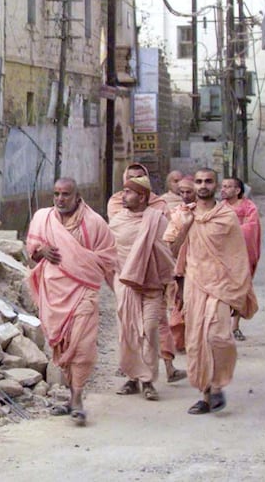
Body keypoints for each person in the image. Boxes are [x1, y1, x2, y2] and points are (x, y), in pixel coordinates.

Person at [163, 168, 258, 415]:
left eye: (208, 181)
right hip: (195, 286)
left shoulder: (226, 217)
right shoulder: (183, 215)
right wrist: (184, 227)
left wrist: (239, 290)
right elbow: (173, 251)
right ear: (193, 185)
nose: (203, 185)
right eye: (198, 181)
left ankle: (218, 385)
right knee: (196, 341)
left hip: (221, 286)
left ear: (216, 186)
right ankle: (206, 394)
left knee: (219, 337)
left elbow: (238, 256)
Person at [26, 178, 117, 426]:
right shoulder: (43, 218)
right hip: (53, 292)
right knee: (62, 345)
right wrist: (41, 251)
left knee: (83, 345)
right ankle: (70, 396)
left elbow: (108, 256)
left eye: (66, 194)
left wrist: (83, 262)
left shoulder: (94, 222)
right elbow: (31, 248)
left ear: (78, 196)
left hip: (83, 292)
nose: (60, 199)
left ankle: (77, 398)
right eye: (56, 194)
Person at [108, 162, 184, 382]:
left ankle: (157, 373)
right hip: (126, 284)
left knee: (151, 328)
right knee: (129, 332)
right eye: (129, 180)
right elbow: (110, 251)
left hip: (152, 284)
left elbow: (166, 250)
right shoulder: (116, 213)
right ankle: (133, 377)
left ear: (143, 195)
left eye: (139, 178)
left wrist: (171, 281)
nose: (126, 193)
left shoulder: (157, 215)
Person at [220, 177, 261, 341]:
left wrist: (232, 230)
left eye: (228, 187)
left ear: (238, 190)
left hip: (242, 255)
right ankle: (222, 327)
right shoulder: (218, 208)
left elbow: (251, 228)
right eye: (222, 186)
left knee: (240, 291)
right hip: (222, 256)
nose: (224, 189)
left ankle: (235, 326)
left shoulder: (249, 207)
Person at [166, 175, 196, 353]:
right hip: (182, 272)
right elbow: (172, 248)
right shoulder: (177, 214)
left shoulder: (213, 215)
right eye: (181, 192)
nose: (184, 195)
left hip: (208, 272)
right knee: (181, 309)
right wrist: (185, 227)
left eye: (188, 191)